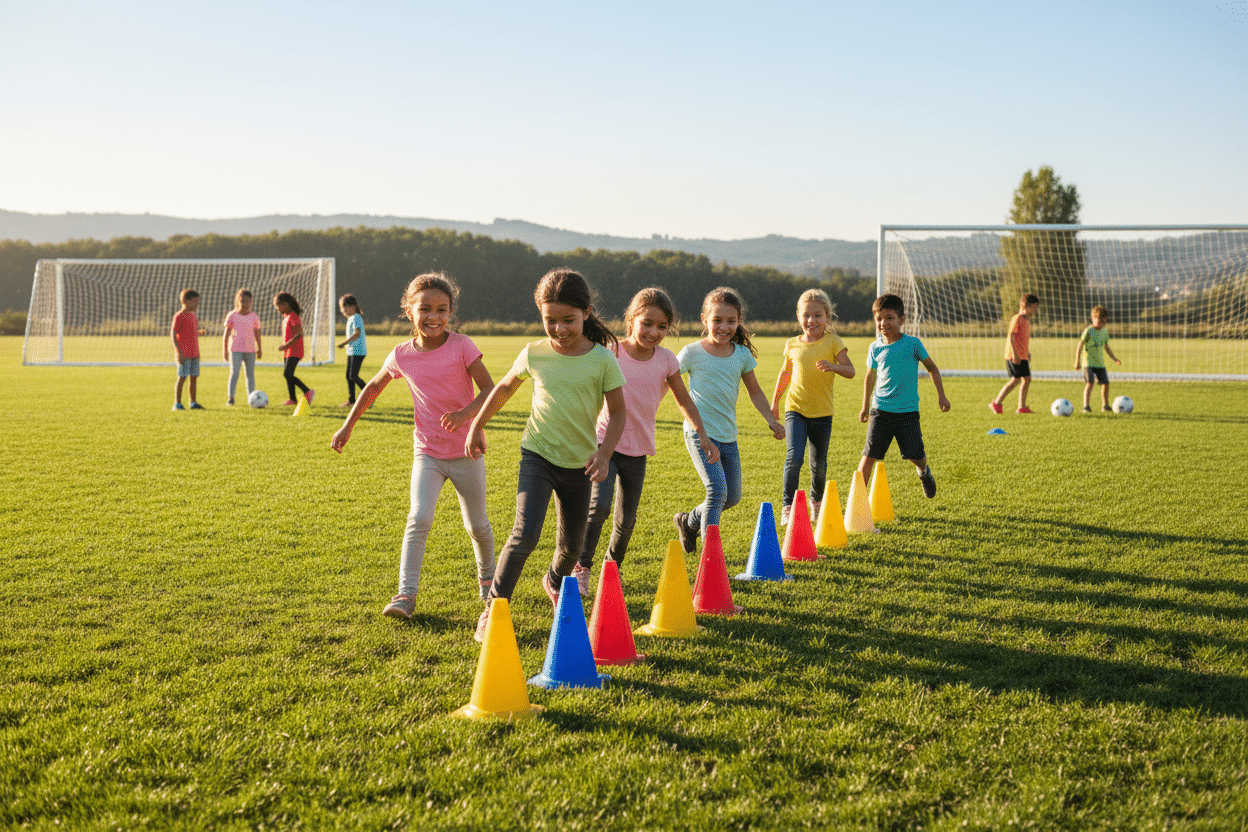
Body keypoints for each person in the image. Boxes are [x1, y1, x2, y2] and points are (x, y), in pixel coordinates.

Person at [467, 268, 626, 641]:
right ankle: (494, 608)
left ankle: (554, 580)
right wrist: (476, 424)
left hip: (580, 464)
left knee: (571, 546)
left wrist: (604, 454)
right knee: (524, 534)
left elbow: (618, 412)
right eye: (549, 320)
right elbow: (504, 388)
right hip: (537, 455)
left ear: (586, 313)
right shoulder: (534, 353)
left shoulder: (602, 359)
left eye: (568, 320)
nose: (559, 329)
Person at [331, 273, 497, 623]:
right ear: (409, 311)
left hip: (466, 452)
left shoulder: (462, 346)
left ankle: (488, 586)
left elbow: (489, 389)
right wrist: (348, 425)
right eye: (424, 309)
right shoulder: (401, 354)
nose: (432, 316)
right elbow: (373, 388)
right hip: (428, 453)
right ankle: (405, 595)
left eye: (441, 309)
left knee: (477, 526)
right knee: (418, 518)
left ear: (450, 312)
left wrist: (467, 416)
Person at [572, 288, 719, 595]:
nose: (654, 332)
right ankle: (582, 567)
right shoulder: (611, 350)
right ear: (631, 319)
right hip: (605, 444)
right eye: (647, 323)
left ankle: (611, 569)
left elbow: (684, 401)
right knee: (598, 507)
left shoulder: (666, 360)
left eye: (662, 327)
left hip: (638, 449)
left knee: (627, 521)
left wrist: (702, 435)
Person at [673, 287, 785, 554]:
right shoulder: (691, 353)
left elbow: (755, 392)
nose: (724, 327)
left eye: (731, 321)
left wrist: (771, 420)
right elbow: (669, 382)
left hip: (728, 436)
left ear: (739, 321)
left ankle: (688, 521)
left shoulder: (742, 355)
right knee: (716, 492)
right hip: (700, 434)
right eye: (717, 320)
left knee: (731, 496)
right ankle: (710, 557)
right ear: (704, 319)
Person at [769, 288, 855, 525]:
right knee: (793, 458)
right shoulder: (792, 344)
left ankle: (816, 503)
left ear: (827, 317)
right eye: (806, 315)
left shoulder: (833, 342)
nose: (811, 320)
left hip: (823, 413)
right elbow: (785, 374)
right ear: (799, 316)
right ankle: (788, 507)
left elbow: (851, 371)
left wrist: (833, 366)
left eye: (817, 315)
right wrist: (775, 402)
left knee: (818, 464)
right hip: (795, 409)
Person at [857, 293, 951, 498]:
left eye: (889, 317)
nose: (883, 323)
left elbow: (932, 369)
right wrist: (865, 406)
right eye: (879, 319)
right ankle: (858, 503)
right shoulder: (874, 348)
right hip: (879, 411)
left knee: (916, 456)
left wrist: (941, 396)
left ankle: (923, 471)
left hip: (907, 413)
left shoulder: (912, 344)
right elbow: (870, 376)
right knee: (868, 456)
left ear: (901, 320)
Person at [990, 293, 1040, 414]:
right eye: (1033, 307)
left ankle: (1021, 407)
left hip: (1022, 356)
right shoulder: (1017, 318)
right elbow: (1011, 336)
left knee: (1027, 379)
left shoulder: (1026, 321)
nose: (1035, 310)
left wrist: (1026, 353)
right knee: (1015, 380)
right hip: (1014, 356)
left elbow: (1021, 339)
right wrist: (1015, 354)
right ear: (1024, 305)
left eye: (1036, 307)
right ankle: (996, 403)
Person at [1075, 305, 1122, 413]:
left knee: (1106, 383)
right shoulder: (1088, 331)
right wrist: (1077, 362)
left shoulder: (1104, 332)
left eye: (1104, 322)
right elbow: (1080, 345)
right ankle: (1086, 406)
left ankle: (1105, 405)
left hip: (1100, 363)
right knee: (1090, 383)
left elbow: (1106, 347)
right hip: (1088, 363)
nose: (1102, 324)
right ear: (1093, 318)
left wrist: (1115, 359)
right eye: (1100, 321)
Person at [222, 289, 262, 405]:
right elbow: (226, 334)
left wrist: (259, 348)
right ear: (238, 301)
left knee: (250, 375)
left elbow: (257, 334)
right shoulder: (232, 315)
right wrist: (225, 350)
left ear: (251, 302)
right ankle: (231, 398)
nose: (245, 304)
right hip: (235, 350)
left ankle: (252, 398)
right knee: (234, 373)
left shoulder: (254, 317)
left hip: (250, 350)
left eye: (248, 301)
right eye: (243, 301)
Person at [274, 292, 314, 406]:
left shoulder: (293, 316)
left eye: (278, 305)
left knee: (287, 374)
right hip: (288, 351)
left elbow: (299, 334)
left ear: (286, 304)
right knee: (288, 375)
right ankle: (292, 399)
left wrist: (286, 345)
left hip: (295, 350)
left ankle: (307, 391)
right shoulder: (286, 317)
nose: (277, 308)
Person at [171, 289, 207, 411]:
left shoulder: (193, 316)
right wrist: (179, 352)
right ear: (185, 301)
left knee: (194, 378)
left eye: (198, 301)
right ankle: (177, 404)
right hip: (184, 354)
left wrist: (198, 333)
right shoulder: (179, 316)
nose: (197, 304)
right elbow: (174, 333)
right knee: (182, 377)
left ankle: (193, 402)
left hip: (194, 353)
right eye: (195, 301)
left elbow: (189, 332)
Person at [336, 294, 368, 407]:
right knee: (349, 376)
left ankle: (369, 396)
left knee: (353, 376)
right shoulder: (351, 318)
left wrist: (344, 343)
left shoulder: (356, 317)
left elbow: (357, 333)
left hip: (358, 351)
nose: (342, 310)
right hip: (352, 351)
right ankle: (352, 400)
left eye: (343, 307)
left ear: (352, 306)